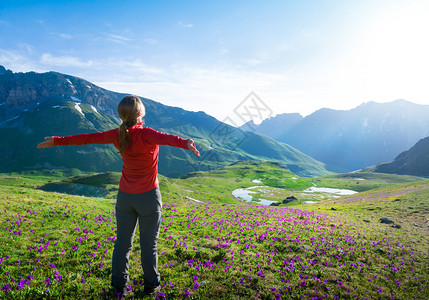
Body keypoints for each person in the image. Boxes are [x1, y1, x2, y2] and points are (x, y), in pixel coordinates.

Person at [37, 95, 200, 297]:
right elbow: (169, 139)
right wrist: (187, 143)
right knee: (149, 245)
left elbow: (88, 138)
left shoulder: (116, 134)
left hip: (124, 197)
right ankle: (151, 286)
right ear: (140, 114)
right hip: (148, 197)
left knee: (122, 244)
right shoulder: (147, 134)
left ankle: (118, 286)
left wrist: (57, 141)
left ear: (121, 115)